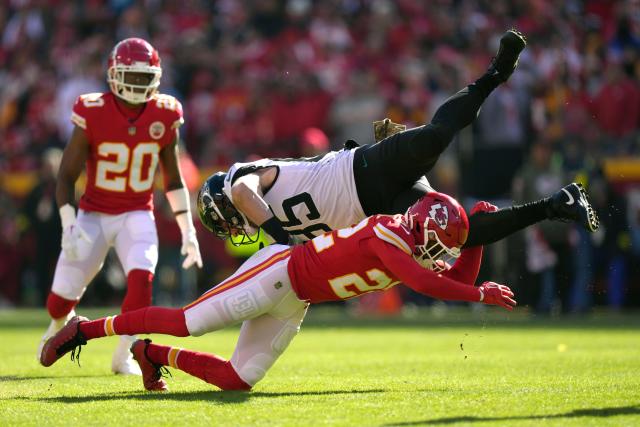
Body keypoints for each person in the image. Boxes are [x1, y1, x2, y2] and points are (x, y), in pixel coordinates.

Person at [41, 192, 516, 392]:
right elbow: (426, 283)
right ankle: (86, 330)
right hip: (279, 272)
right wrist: (480, 295)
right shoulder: (388, 233)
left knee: (238, 380)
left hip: (297, 297)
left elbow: (455, 282)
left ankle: (150, 354)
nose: (440, 251)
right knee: (190, 321)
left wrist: (476, 240)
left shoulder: (413, 243)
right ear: (419, 224)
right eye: (441, 240)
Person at [197, 29, 599, 248]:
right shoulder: (273, 237)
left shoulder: (240, 181)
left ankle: (495, 74)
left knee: (437, 136)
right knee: (458, 232)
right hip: (380, 204)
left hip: (363, 169)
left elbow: (247, 194)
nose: (238, 229)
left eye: (229, 222)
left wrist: (281, 241)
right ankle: (555, 205)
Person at [36, 38, 203, 375]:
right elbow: (66, 176)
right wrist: (69, 223)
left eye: (145, 77)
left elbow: (172, 179)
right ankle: (60, 323)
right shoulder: (92, 109)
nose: (138, 84)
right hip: (93, 214)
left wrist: (189, 230)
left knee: (142, 280)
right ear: (114, 74)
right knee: (59, 301)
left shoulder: (165, 112)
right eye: (132, 76)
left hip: (137, 213)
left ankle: (124, 354)